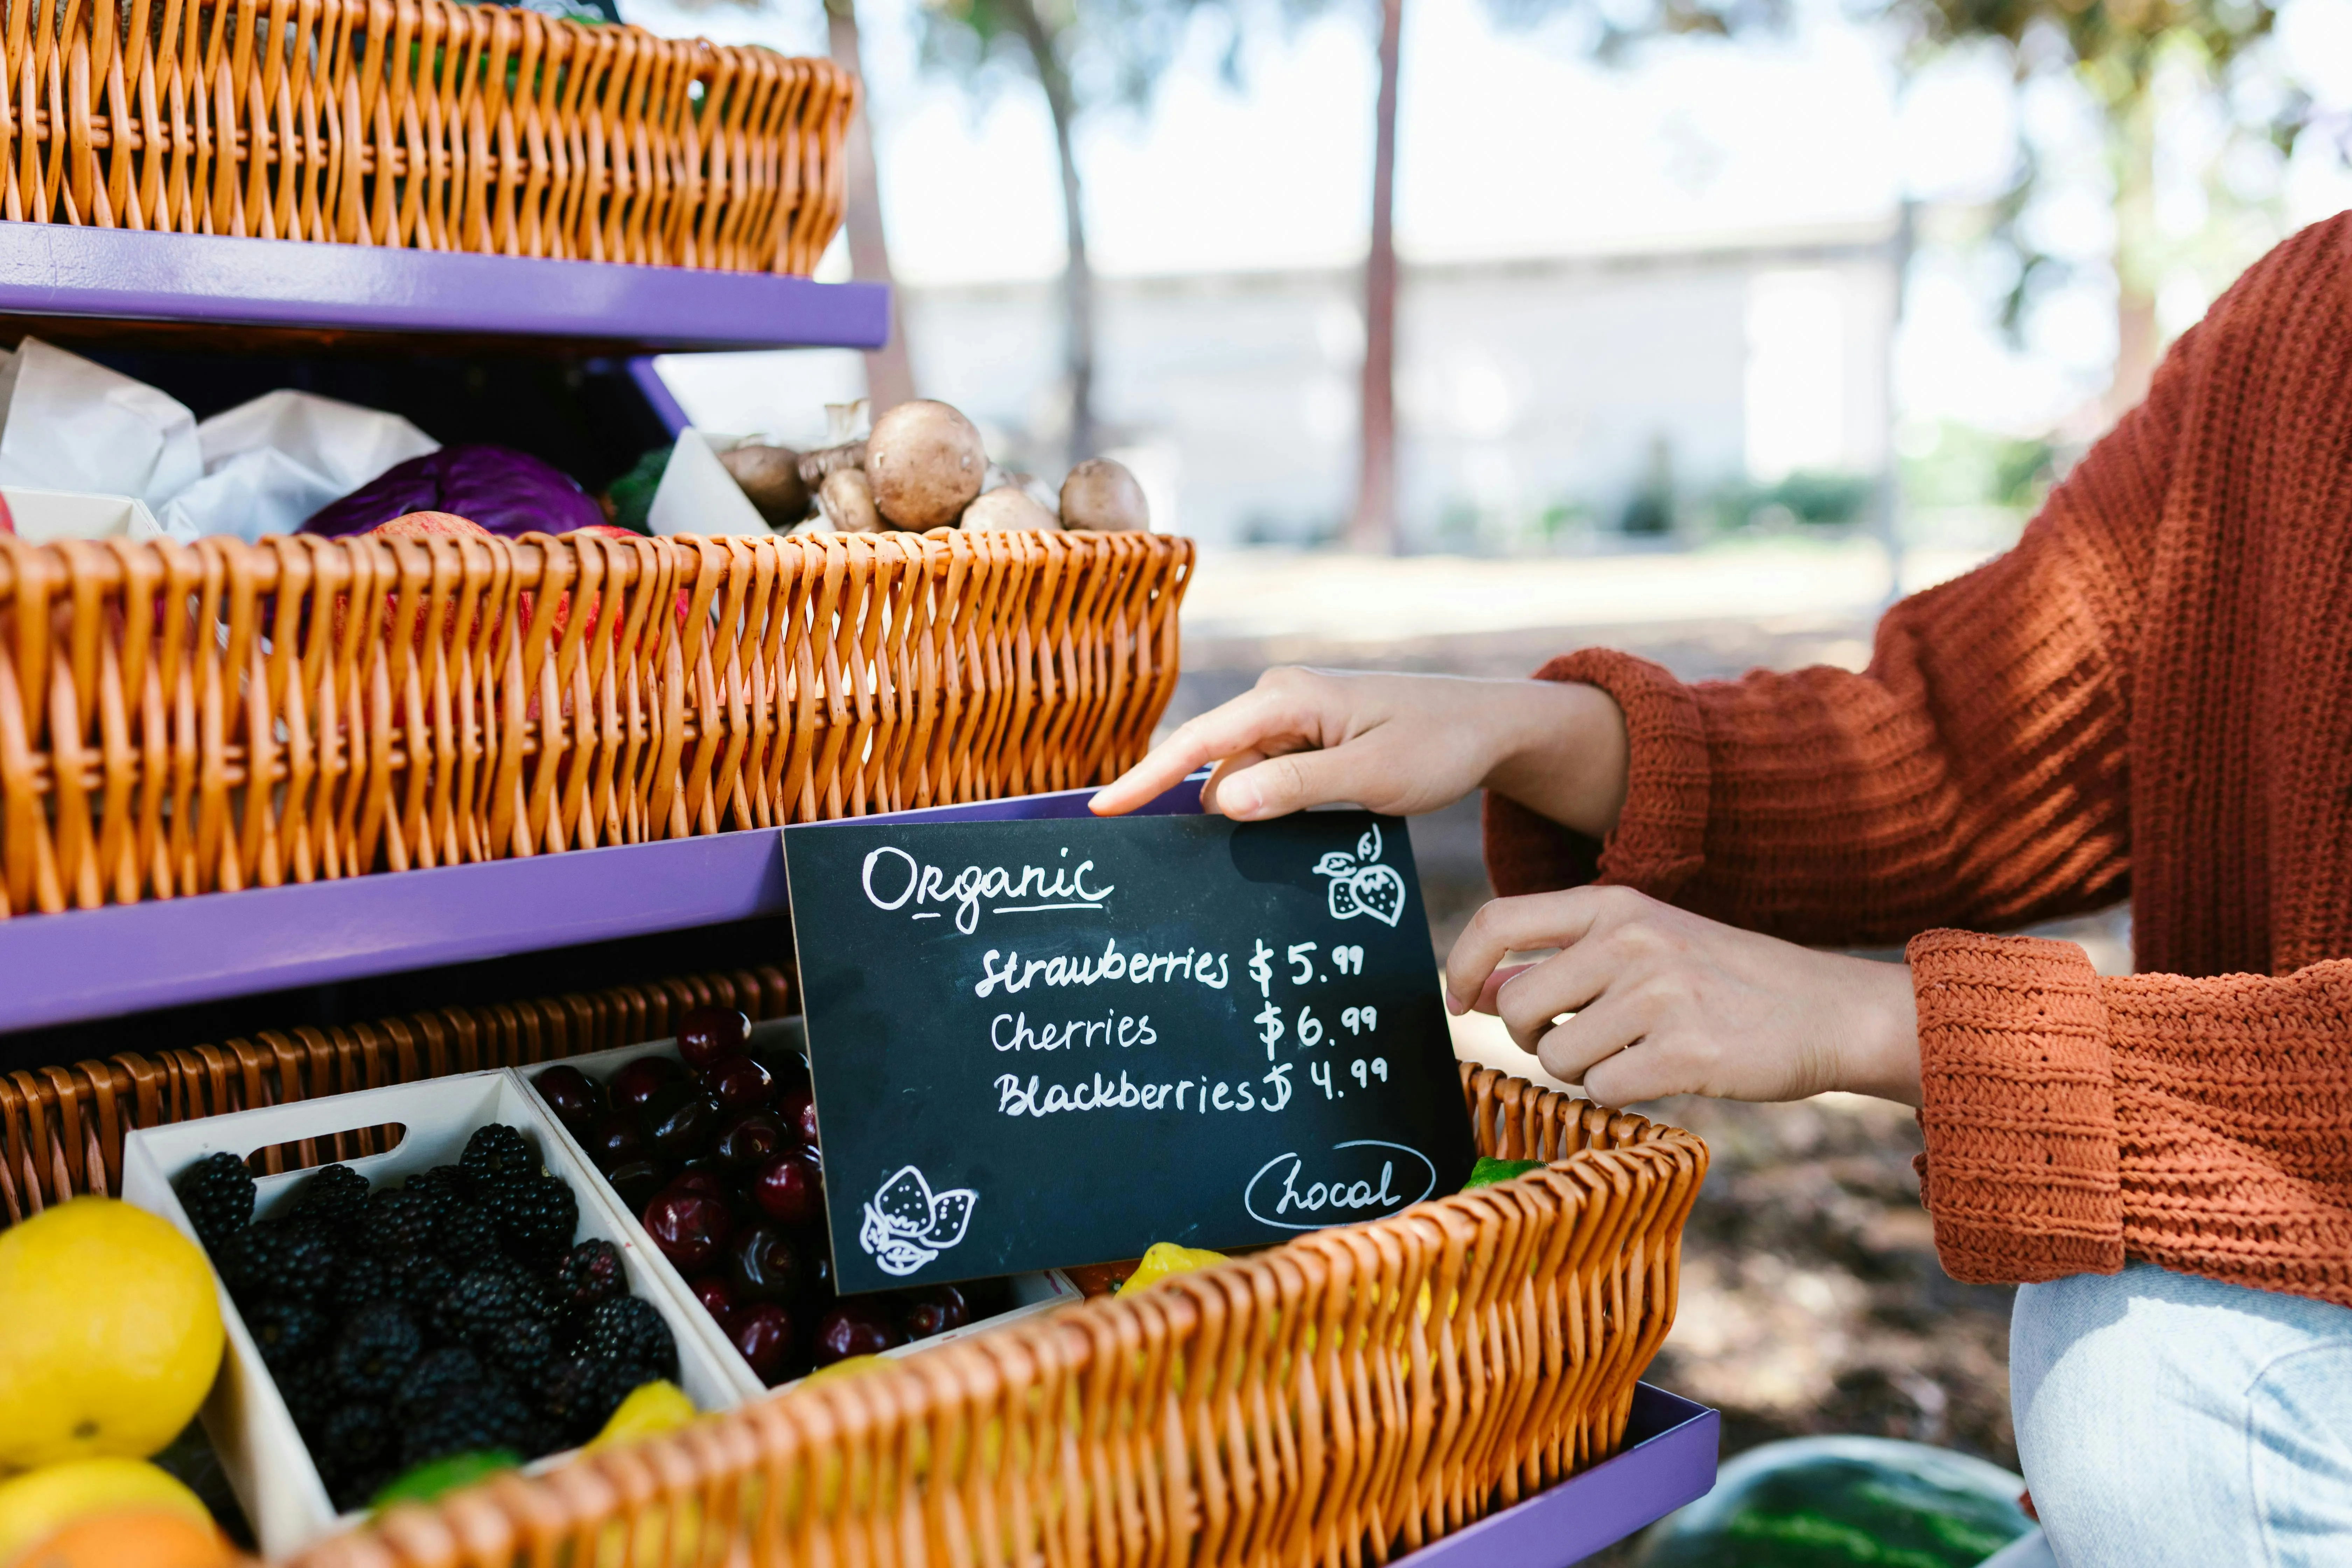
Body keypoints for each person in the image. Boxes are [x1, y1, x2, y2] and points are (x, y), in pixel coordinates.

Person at [1090, 214, 2352, 1568]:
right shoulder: (2306, 322)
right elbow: (1951, 749)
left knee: (2153, 1383)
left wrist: (1881, 1025)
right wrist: (1531, 732)